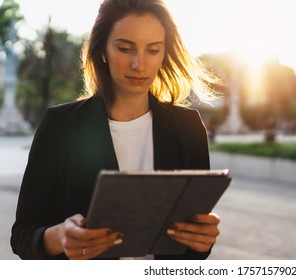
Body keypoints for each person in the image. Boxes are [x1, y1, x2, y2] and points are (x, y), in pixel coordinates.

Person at [11, 0, 221, 260]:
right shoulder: (60, 126)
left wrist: (202, 241)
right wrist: (60, 237)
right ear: (102, 51)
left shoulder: (188, 128)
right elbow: (22, 235)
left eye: (153, 50)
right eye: (124, 48)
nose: (139, 64)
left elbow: (191, 250)